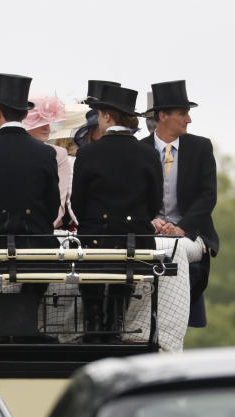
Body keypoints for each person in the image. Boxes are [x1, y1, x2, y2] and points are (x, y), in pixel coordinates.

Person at [0, 74, 61, 339]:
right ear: (24, 114)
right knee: (48, 253)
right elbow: (52, 206)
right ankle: (26, 319)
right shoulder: (46, 153)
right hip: (37, 240)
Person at [70, 84, 162, 342]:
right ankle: (114, 324)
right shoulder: (148, 154)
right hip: (135, 240)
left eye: (99, 114)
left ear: (108, 117)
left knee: (92, 275)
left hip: (96, 237)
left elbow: (78, 202)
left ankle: (93, 326)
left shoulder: (88, 153)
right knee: (124, 277)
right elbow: (155, 203)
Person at [141, 80, 219, 328]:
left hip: (190, 233)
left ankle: (171, 330)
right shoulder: (139, 150)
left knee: (174, 252)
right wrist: (149, 221)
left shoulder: (201, 148)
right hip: (149, 231)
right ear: (163, 115)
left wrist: (182, 228)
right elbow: (132, 198)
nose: (189, 120)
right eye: (183, 114)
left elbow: (208, 196)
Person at [22, 94, 74, 229]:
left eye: (48, 123)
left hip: (48, 231)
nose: (47, 128)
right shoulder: (14, 151)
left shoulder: (59, 154)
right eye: (41, 123)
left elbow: (60, 202)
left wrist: (40, 231)